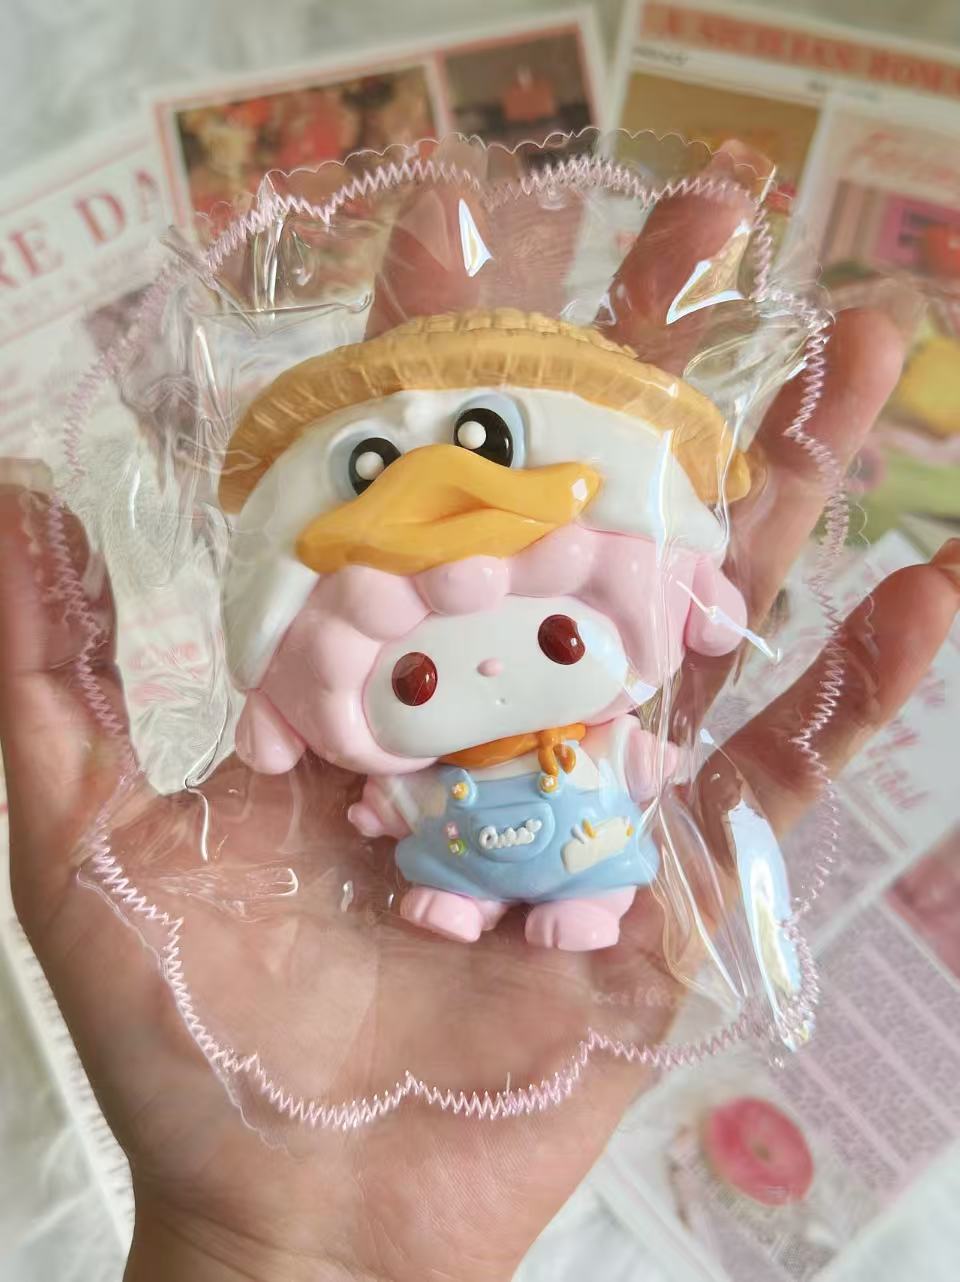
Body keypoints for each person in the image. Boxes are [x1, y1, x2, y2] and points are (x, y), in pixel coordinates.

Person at [1, 148, 958, 1282]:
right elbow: (391, 789)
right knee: (448, 881)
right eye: (415, 678)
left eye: (559, 642)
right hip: (448, 860)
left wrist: (644, 757)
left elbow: (634, 753)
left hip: (586, 856)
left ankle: (558, 904)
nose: (494, 667)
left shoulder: (606, 673)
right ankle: (466, 900)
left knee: (567, 870)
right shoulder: (392, 738)